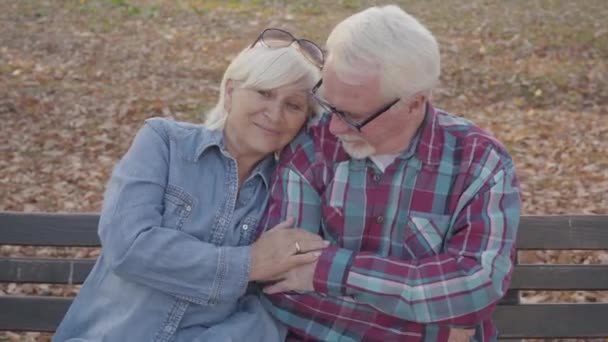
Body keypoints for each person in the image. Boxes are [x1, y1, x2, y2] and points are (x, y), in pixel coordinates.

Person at [259, 5, 521, 341]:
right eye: (329, 104)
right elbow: (285, 285)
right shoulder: (312, 148)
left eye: (352, 115)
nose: (334, 127)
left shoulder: (479, 160)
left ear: (414, 103)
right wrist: (430, 335)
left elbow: (476, 287)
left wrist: (331, 270)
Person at [53, 28, 328, 341]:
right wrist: (248, 264)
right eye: (264, 92)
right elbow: (127, 244)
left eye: (293, 105)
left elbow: (274, 308)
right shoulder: (164, 143)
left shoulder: (289, 192)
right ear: (230, 91)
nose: (274, 113)